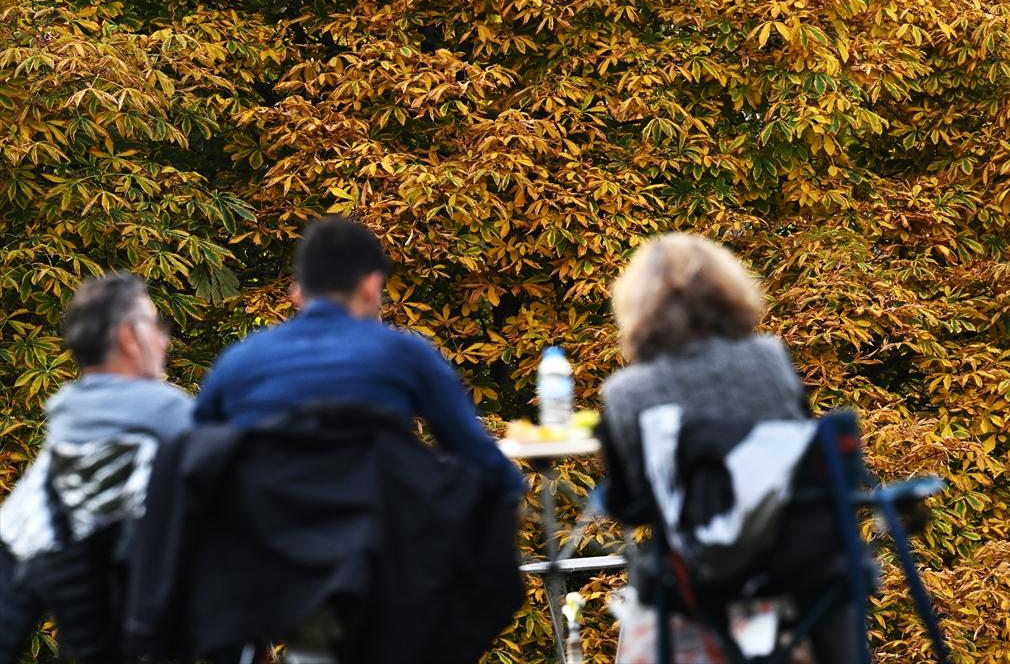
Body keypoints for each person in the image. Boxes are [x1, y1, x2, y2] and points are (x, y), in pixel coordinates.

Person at [600, 232, 853, 664]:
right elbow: (799, 452)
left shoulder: (626, 394)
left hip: (699, 585)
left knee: (646, 583)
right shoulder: (770, 359)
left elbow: (635, 506)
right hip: (797, 568)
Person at [192, 215, 524, 500]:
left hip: (265, 563)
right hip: (378, 564)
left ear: (297, 292)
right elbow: (485, 465)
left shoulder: (238, 364)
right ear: (371, 286)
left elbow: (194, 466)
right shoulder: (405, 356)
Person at [0, 273, 192, 664]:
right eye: (156, 325)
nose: (164, 340)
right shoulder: (172, 417)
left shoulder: (63, 433)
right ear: (127, 336)